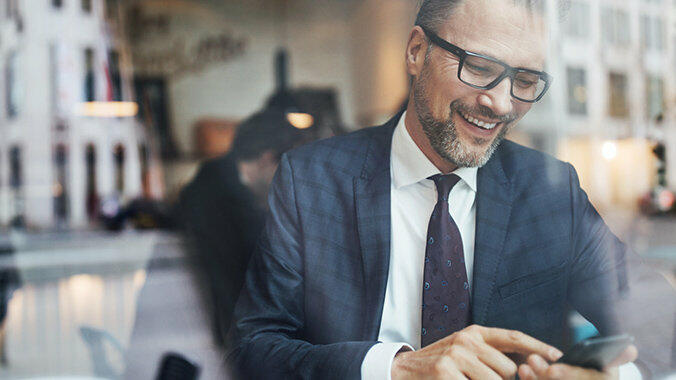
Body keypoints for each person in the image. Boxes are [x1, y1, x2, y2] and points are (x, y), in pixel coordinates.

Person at [229, 1, 676, 379]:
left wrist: (615, 375)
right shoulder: (310, 180)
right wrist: (397, 369)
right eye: (479, 68)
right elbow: (253, 348)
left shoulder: (551, 191)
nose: (501, 104)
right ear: (416, 51)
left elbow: (663, 324)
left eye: (524, 81)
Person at [178, 109, 308, 349]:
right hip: (221, 341)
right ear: (268, 159)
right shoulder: (225, 204)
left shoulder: (211, 183)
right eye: (288, 170)